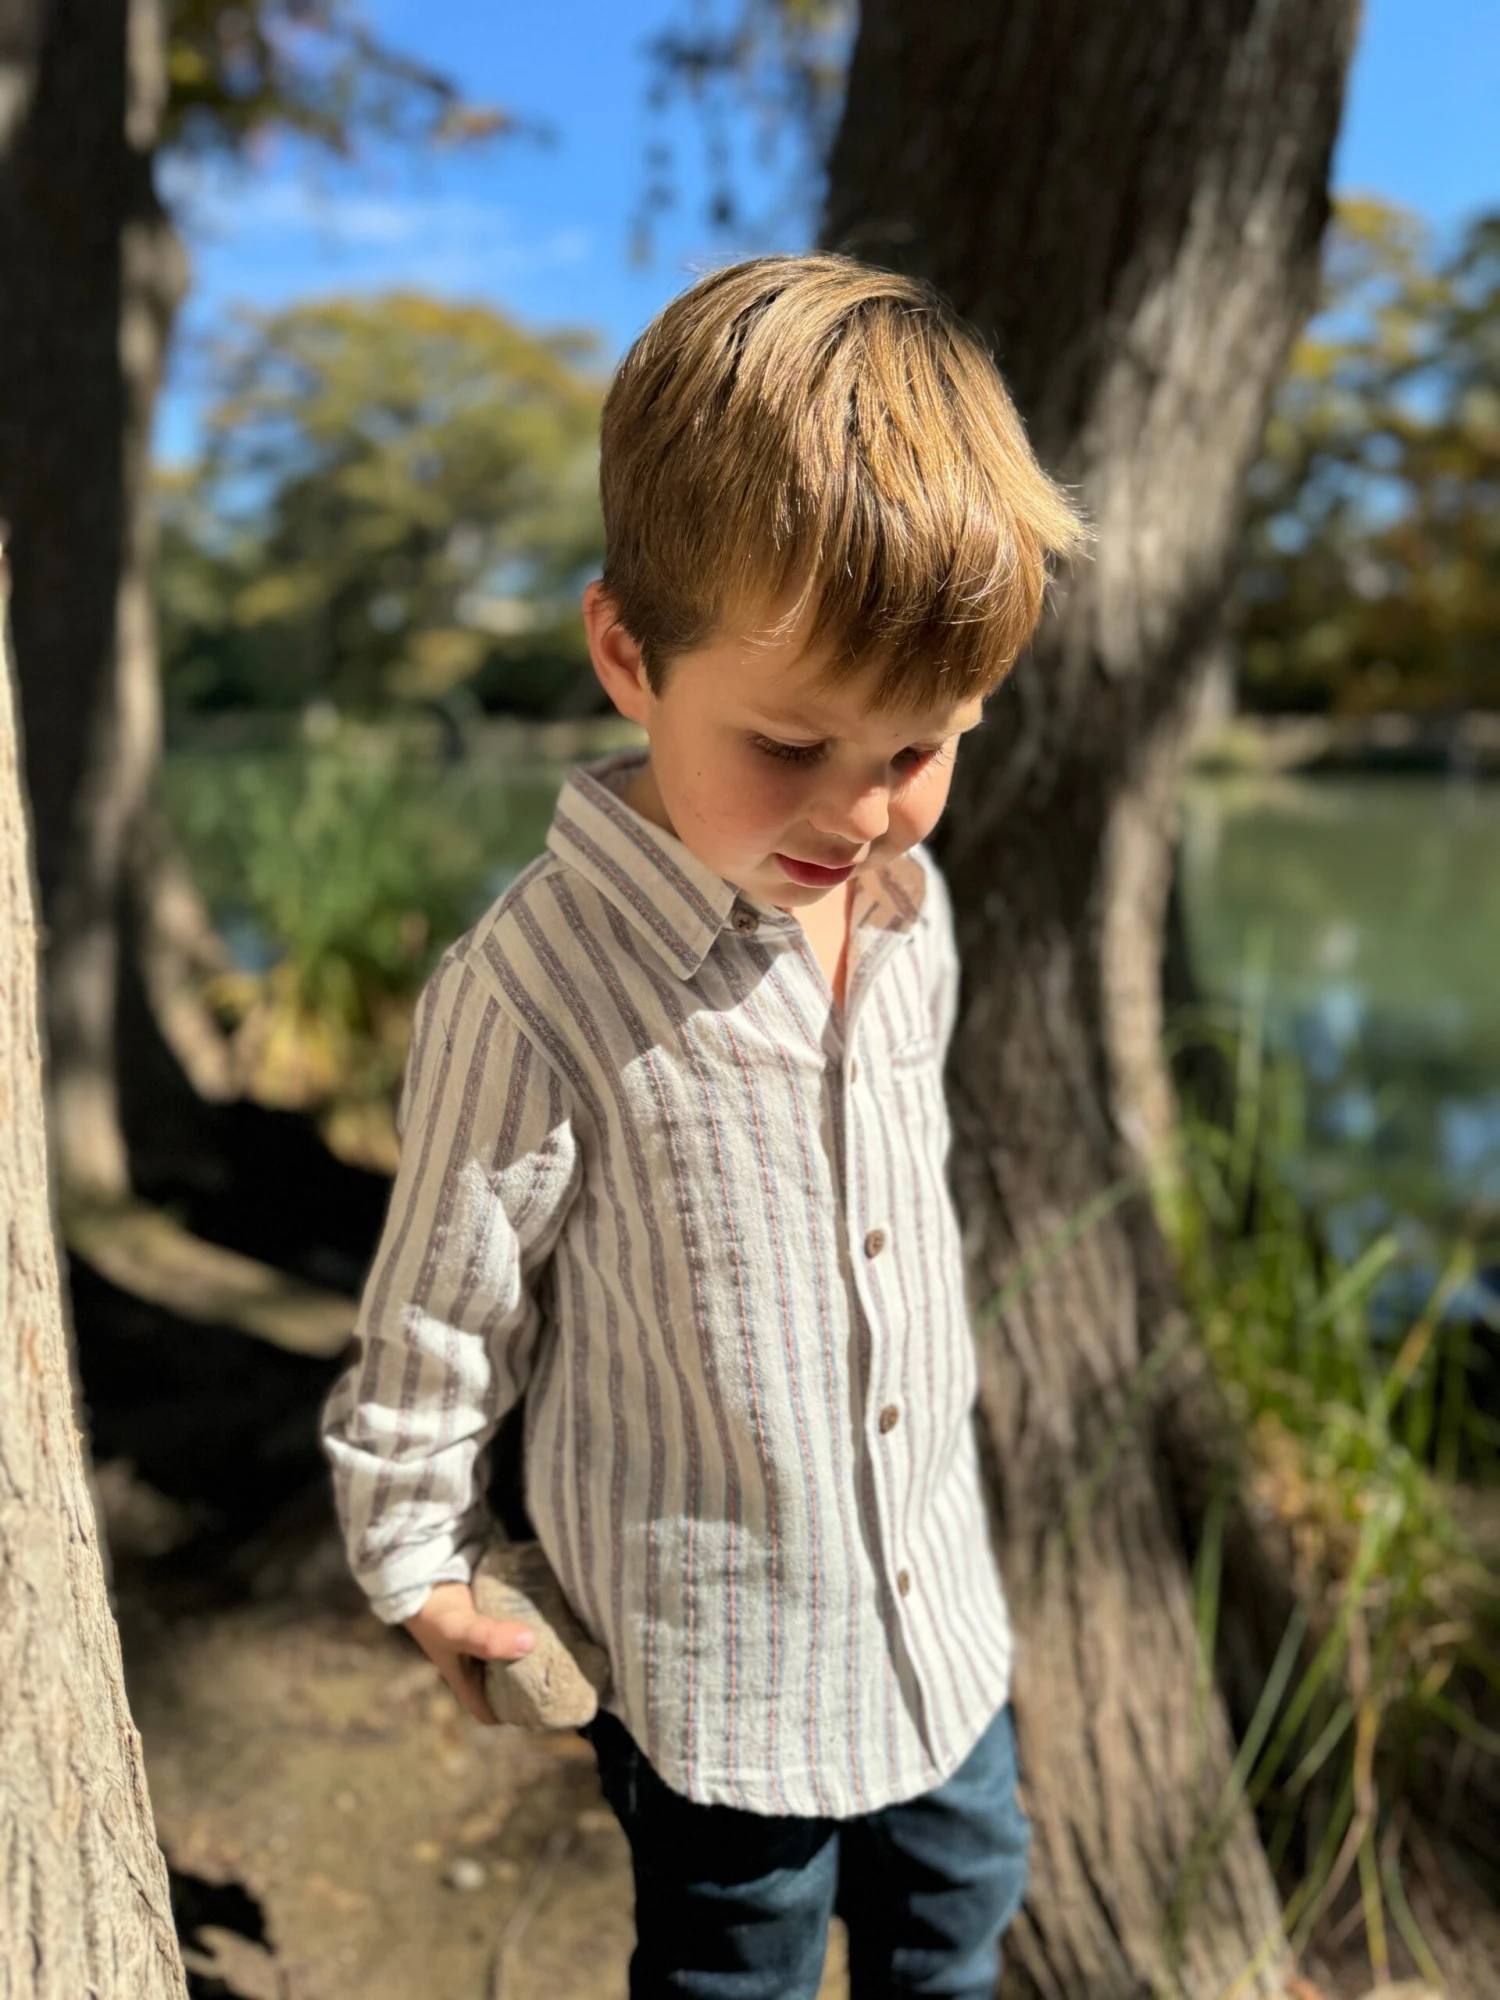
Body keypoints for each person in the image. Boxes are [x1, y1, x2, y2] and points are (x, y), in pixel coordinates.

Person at [320, 252, 1086, 1998]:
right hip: (715, 1659)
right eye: (794, 742)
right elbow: (443, 1308)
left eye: (921, 746)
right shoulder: (534, 991)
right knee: (735, 1966)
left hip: (928, 1610)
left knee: (960, 1919)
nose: (861, 810)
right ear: (625, 654)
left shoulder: (913, 912)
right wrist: (421, 1568)